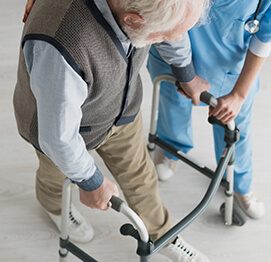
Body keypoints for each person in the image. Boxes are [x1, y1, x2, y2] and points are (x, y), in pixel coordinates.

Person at [14, 0, 211, 261]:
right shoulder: (62, 43)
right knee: (56, 177)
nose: (170, 39)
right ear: (132, 20)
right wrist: (90, 181)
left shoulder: (145, 10)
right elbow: (58, 137)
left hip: (119, 108)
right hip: (62, 130)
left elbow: (172, 25)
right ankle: (53, 206)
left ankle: (163, 235)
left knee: (141, 176)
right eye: (163, 35)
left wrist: (186, 73)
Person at [147, 0, 271, 219]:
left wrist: (239, 94)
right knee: (172, 106)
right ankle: (171, 149)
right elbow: (163, 11)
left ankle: (238, 181)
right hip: (175, 49)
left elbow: (265, 34)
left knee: (236, 124)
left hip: (230, 64)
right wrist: (185, 74)